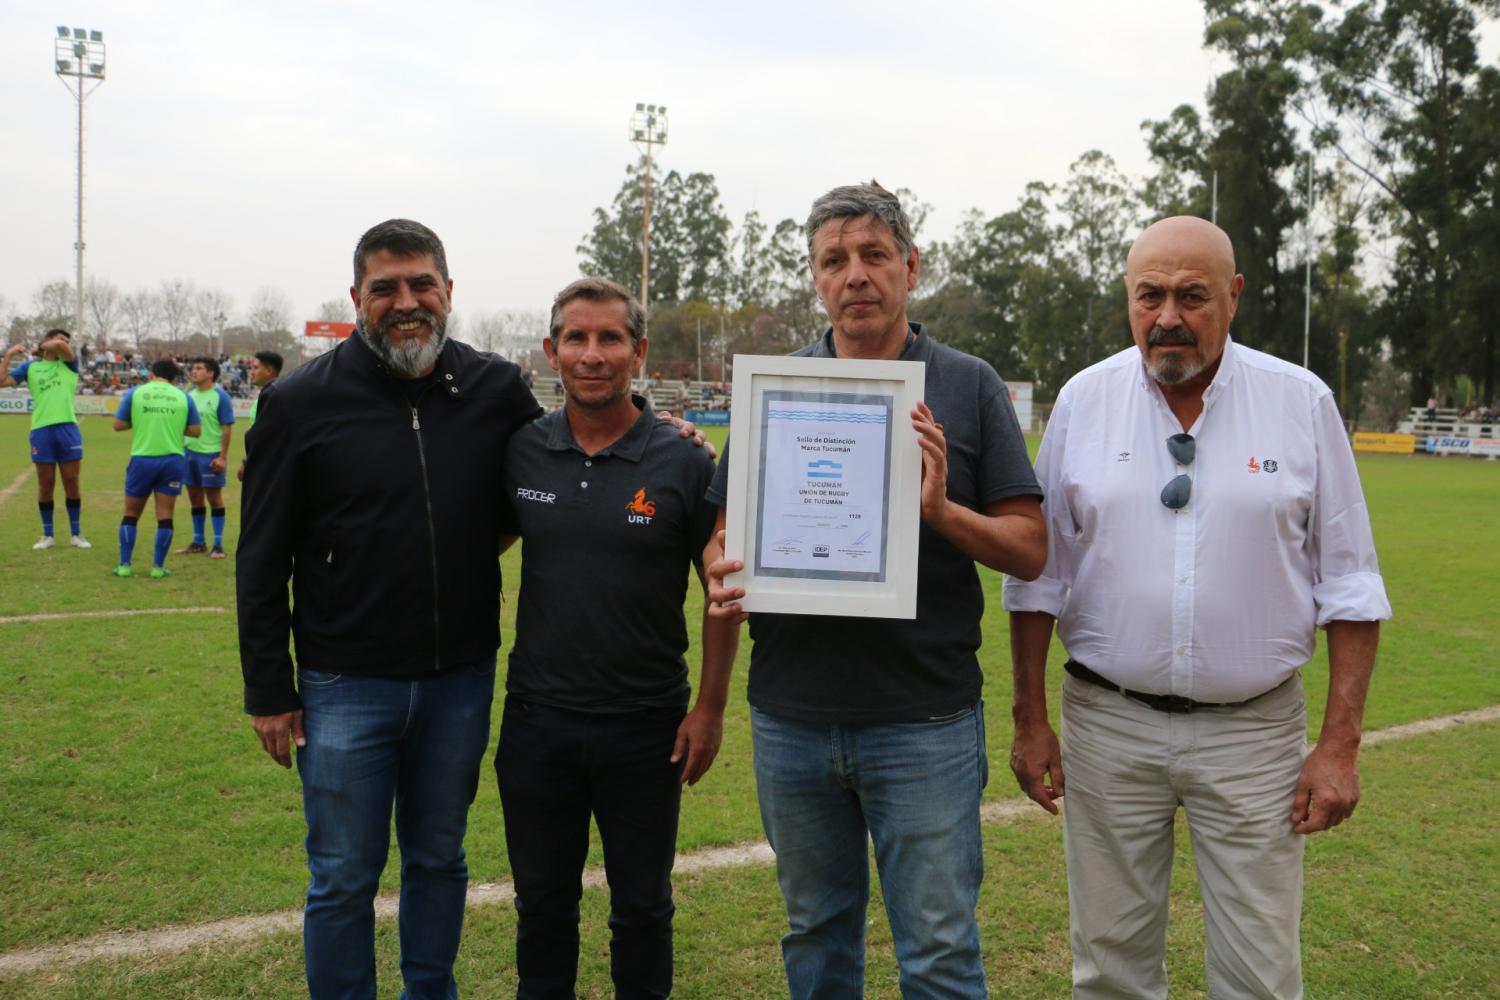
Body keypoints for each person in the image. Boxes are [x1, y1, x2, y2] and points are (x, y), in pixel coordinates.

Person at [1004, 216, 1391, 1000]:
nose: (1168, 317)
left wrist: (1340, 746)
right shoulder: (1084, 402)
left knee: (1259, 972)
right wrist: (1030, 718)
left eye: (1192, 295)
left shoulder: (1299, 402)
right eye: (1149, 296)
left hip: (1255, 735)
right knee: (1109, 966)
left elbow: (1350, 586)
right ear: (1128, 296)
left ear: (1234, 296)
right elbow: (1038, 580)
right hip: (1108, 725)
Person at [705, 181, 1047, 999]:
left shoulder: (966, 383)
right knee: (816, 940)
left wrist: (940, 510)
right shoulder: (773, 392)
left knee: (937, 950)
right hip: (792, 717)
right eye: (834, 260)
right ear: (815, 279)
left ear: (910, 267)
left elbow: (1031, 550)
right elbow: (725, 543)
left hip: (923, 719)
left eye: (873, 255)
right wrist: (722, 571)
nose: (854, 275)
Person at [237, 219, 543, 999]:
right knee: (342, 875)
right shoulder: (299, 401)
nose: (406, 303)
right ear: (356, 299)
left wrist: (662, 431)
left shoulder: (496, 389)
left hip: (461, 677)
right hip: (345, 685)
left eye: (421, 285)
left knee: (440, 859)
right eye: (386, 289)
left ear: (448, 291)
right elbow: (262, 555)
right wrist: (270, 690)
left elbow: (553, 473)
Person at [495, 277, 738, 999]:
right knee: (541, 908)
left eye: (610, 339)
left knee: (641, 909)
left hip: (647, 727)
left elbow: (722, 595)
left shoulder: (686, 461)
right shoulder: (521, 452)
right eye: (576, 337)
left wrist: (712, 710)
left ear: (640, 352)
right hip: (537, 723)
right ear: (552, 350)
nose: (592, 354)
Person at [110, 359, 202, 578]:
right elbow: (196, 431)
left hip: (142, 459)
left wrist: (143, 421)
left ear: (152, 373)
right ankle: (158, 568)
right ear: (173, 377)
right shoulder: (183, 396)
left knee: (131, 514)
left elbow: (118, 425)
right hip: (172, 460)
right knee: (165, 515)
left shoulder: (136, 392)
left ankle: (124, 566)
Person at [1, 329, 92, 550]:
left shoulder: (69, 363)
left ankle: (76, 534)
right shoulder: (30, 367)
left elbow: (61, 349)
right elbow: (2, 381)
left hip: (67, 428)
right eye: (60, 338)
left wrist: (48, 345)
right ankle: (47, 535)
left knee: (71, 481)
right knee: (45, 483)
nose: (64, 344)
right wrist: (8, 356)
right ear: (46, 341)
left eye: (67, 341)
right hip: (41, 430)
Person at [179, 357, 236, 558]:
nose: (194, 372)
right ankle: (198, 542)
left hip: (211, 454)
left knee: (214, 498)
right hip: (189, 453)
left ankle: (218, 544)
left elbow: (226, 428)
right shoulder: (188, 396)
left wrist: (222, 457)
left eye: (199, 368)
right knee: (194, 498)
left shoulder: (221, 396)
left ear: (211, 373)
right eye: (193, 368)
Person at [236, 350, 283, 482]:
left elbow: (267, 436)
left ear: (268, 370)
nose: (251, 372)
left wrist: (246, 463)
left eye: (256, 368)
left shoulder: (276, 397)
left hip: (268, 466)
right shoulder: (265, 396)